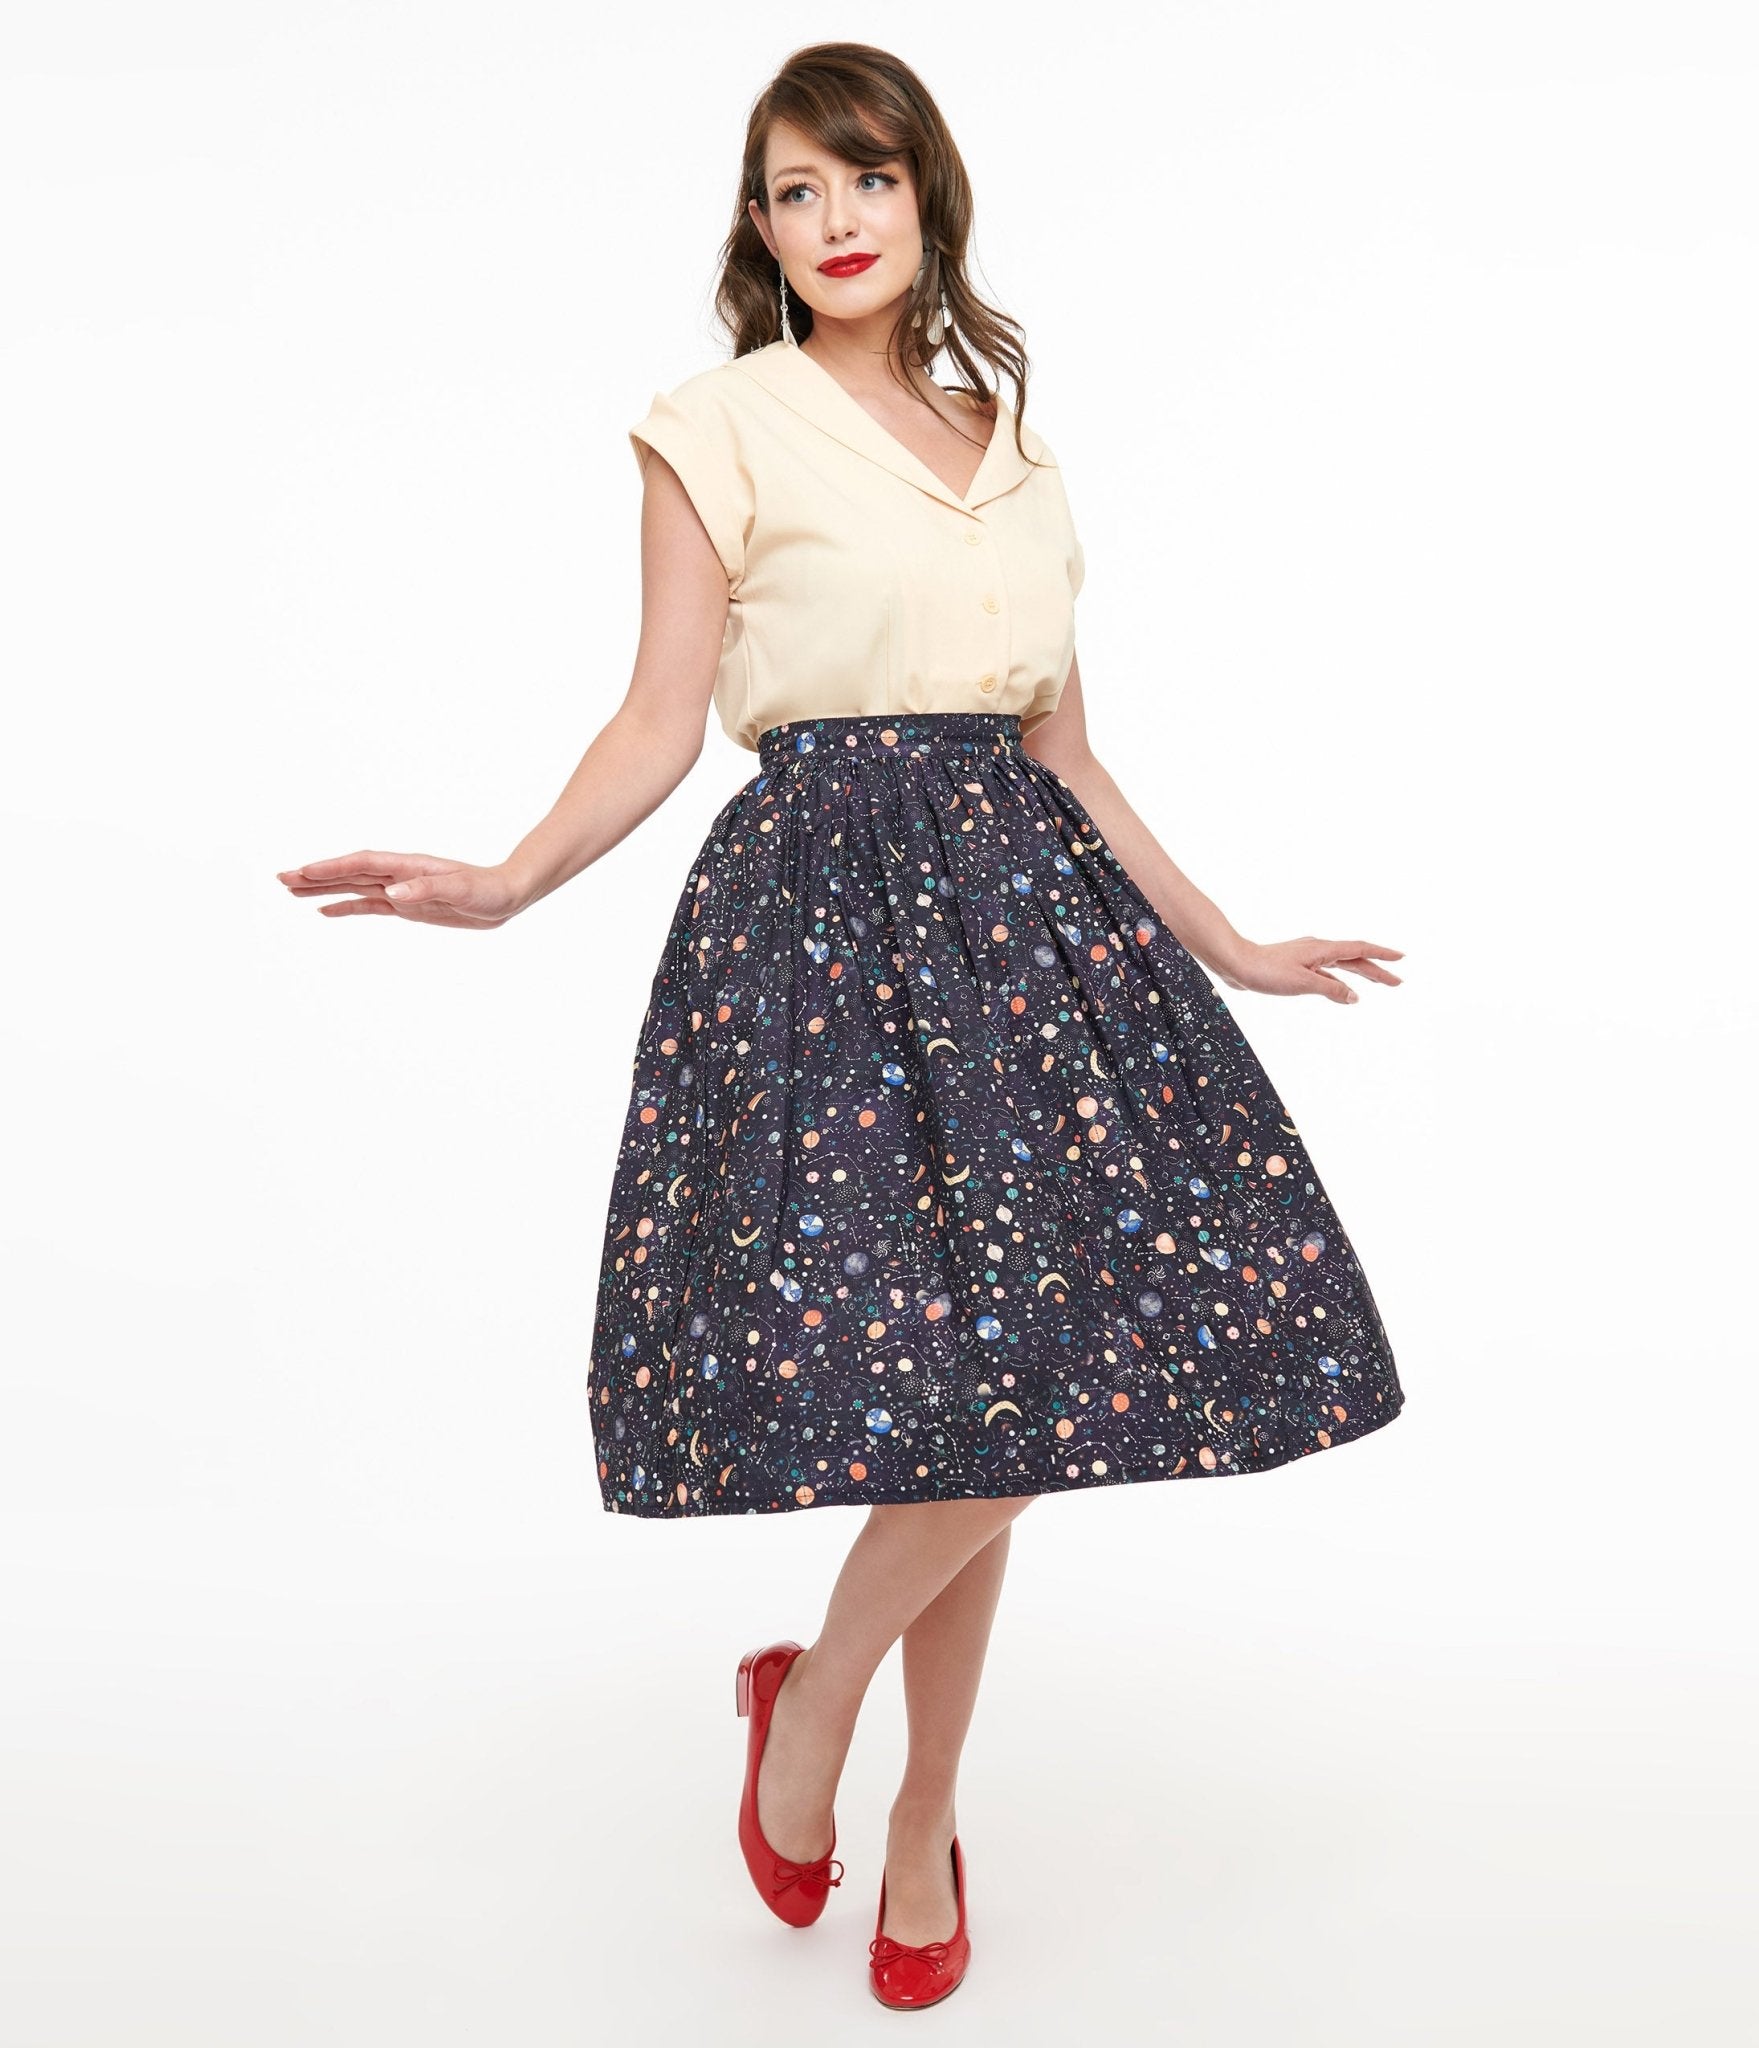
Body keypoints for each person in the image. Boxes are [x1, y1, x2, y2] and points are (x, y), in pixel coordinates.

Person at [276, 39, 1407, 2013]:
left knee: (1027, 1380)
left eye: (864, 179)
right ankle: (835, 1743)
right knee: (964, 1392)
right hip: (826, 940)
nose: (834, 219)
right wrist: (509, 877)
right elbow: (659, 713)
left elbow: (1068, 752)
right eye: (794, 190)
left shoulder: (1014, 446)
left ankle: (885, 1775)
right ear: (762, 225)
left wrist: (1231, 942)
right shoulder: (714, 426)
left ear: (925, 195)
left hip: (1031, 944)